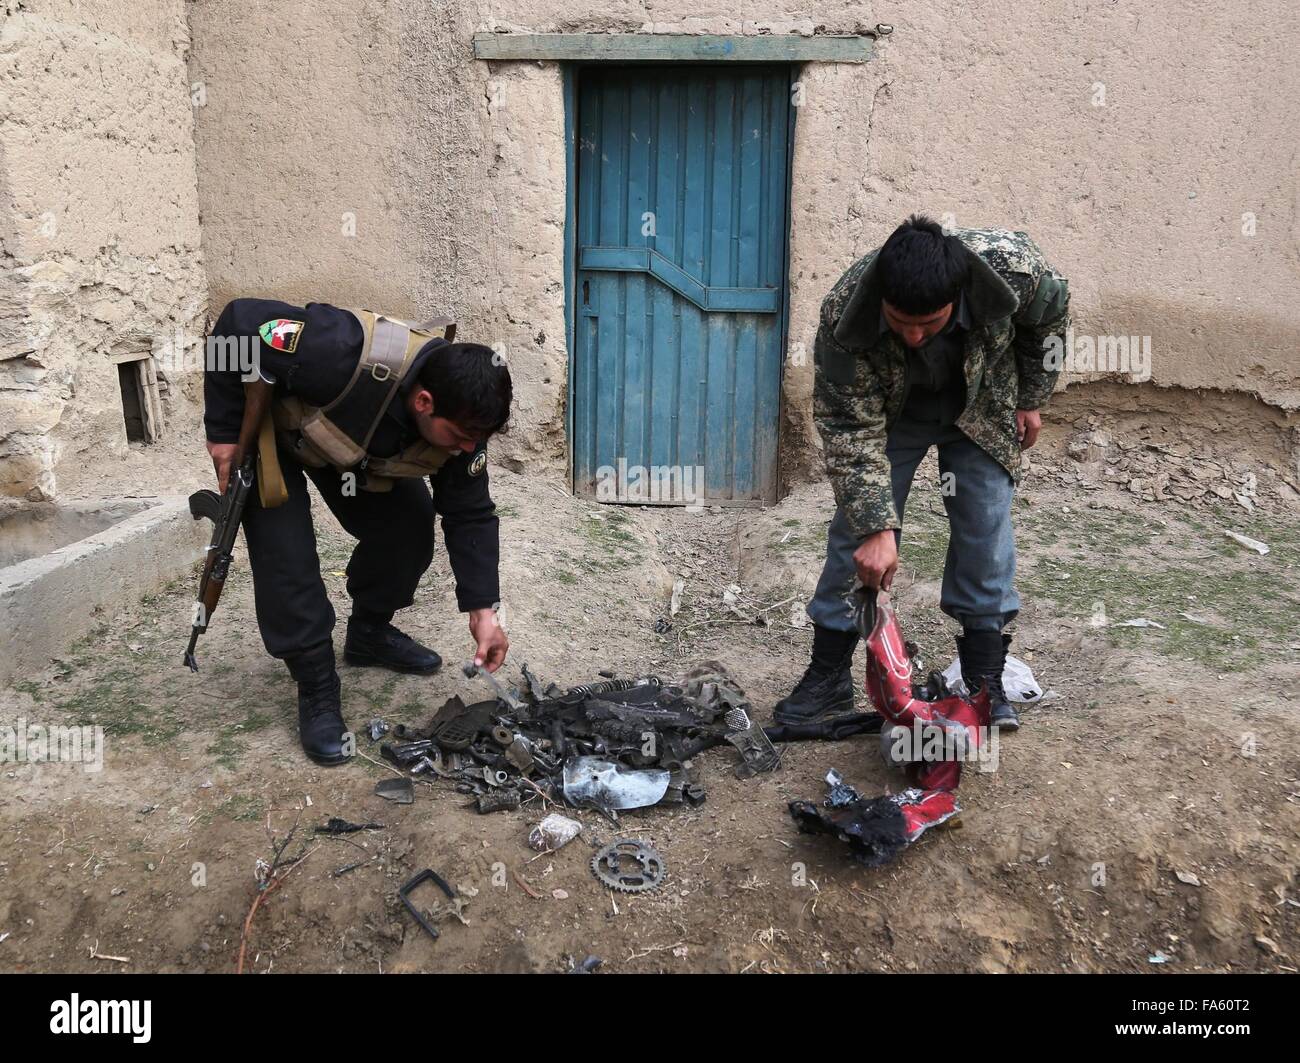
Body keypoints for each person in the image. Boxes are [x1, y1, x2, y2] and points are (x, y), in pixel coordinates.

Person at [775, 216, 1069, 732]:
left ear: (959, 296)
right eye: (900, 321)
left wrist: (1031, 397)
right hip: (893, 416)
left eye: (929, 324)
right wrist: (876, 527)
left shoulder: (1014, 270)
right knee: (855, 538)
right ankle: (827, 676)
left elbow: (1049, 322)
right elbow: (847, 425)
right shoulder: (847, 315)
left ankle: (983, 679)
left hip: (981, 408)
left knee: (985, 530)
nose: (913, 336)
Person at [203, 299, 512, 764]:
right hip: (282, 433)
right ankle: (316, 684)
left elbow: (470, 515)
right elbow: (237, 323)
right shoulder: (333, 349)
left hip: (347, 451)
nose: (469, 447)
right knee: (287, 554)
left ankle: (369, 634)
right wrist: (224, 430)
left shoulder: (465, 421)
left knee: (408, 526)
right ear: (425, 402)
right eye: (462, 436)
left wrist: (483, 609)